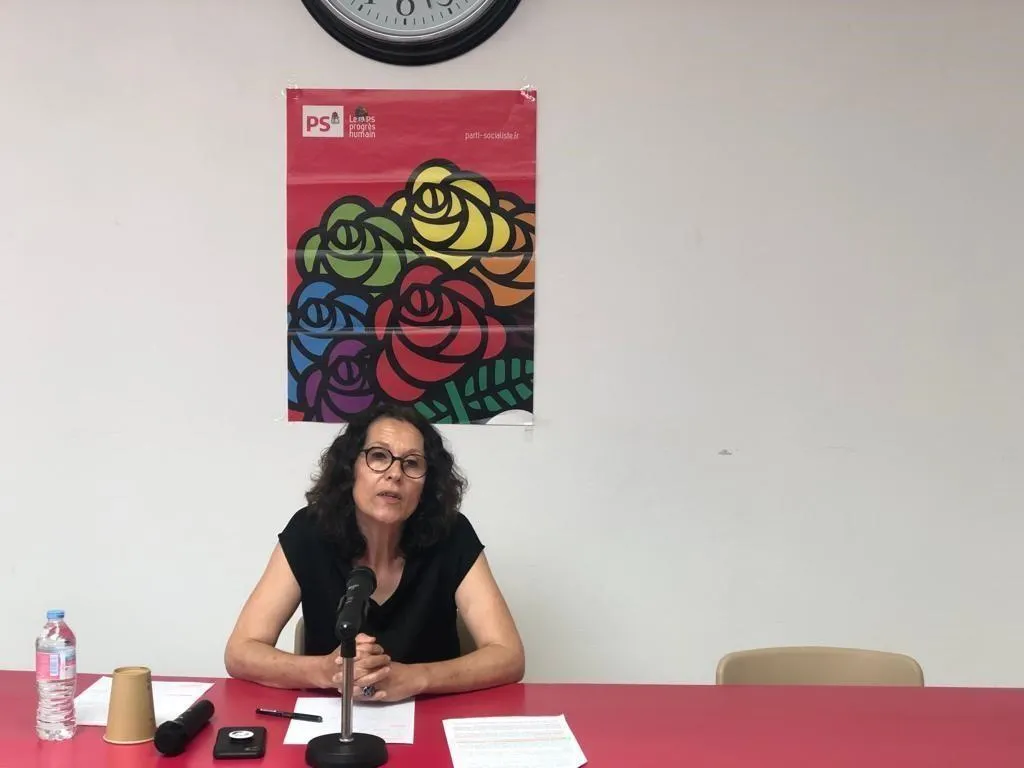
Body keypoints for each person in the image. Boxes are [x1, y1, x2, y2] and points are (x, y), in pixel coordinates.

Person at [224, 403, 525, 702]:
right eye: (379, 456)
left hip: (430, 715)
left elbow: (509, 655)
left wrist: (416, 678)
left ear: (427, 483)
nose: (395, 474)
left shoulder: (452, 534)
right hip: (330, 717)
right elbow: (240, 651)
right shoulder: (309, 531)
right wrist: (324, 671)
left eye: (412, 463)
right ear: (350, 469)